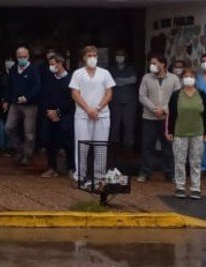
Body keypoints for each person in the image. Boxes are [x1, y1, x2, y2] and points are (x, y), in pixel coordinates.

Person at [69, 46, 115, 184]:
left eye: (95, 55)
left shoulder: (105, 73)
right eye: (89, 55)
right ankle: (80, 176)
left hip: (102, 115)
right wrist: (88, 110)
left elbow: (109, 93)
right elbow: (75, 94)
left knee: (100, 147)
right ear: (84, 57)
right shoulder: (78, 73)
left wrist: (98, 108)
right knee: (82, 147)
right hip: (83, 115)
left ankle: (99, 177)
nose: (92, 58)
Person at [165, 68, 206, 199]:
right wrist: (169, 131)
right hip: (180, 133)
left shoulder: (202, 94)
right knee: (179, 160)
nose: (189, 78)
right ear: (182, 79)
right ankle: (180, 186)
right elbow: (171, 114)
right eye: (186, 76)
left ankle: (195, 187)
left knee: (196, 161)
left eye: (191, 76)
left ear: (195, 79)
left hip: (198, 132)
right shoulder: (176, 95)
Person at [138, 54, 181, 183]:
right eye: (151, 63)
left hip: (167, 119)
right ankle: (145, 172)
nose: (152, 65)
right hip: (149, 118)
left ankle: (170, 174)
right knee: (147, 146)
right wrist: (154, 109)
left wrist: (164, 110)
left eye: (155, 63)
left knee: (168, 147)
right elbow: (142, 96)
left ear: (163, 64)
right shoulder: (146, 77)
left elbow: (177, 97)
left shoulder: (174, 79)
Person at [3, 45, 41, 166]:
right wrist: (6, 100)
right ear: (16, 57)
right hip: (15, 104)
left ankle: (27, 155)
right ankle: (19, 148)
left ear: (28, 56)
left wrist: (27, 97)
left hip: (30, 105)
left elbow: (37, 87)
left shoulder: (34, 69)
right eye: (20, 57)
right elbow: (9, 85)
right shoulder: (13, 69)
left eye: (24, 56)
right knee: (8, 127)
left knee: (29, 133)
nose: (22, 59)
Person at [40, 53, 75, 179]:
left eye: (53, 64)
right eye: (50, 64)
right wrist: (49, 111)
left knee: (68, 142)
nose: (51, 67)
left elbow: (72, 100)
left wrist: (58, 112)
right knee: (50, 142)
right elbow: (44, 96)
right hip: (50, 115)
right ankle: (52, 168)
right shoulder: (49, 79)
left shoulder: (70, 79)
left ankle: (71, 168)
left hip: (66, 116)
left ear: (60, 64)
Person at [109, 49, 139, 151]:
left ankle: (128, 148)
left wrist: (117, 81)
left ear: (125, 56)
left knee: (128, 125)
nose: (120, 57)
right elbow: (109, 81)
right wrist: (125, 81)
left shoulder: (130, 67)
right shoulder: (111, 68)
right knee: (114, 125)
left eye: (122, 55)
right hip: (115, 101)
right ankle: (114, 147)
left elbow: (133, 80)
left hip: (129, 101)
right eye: (118, 55)